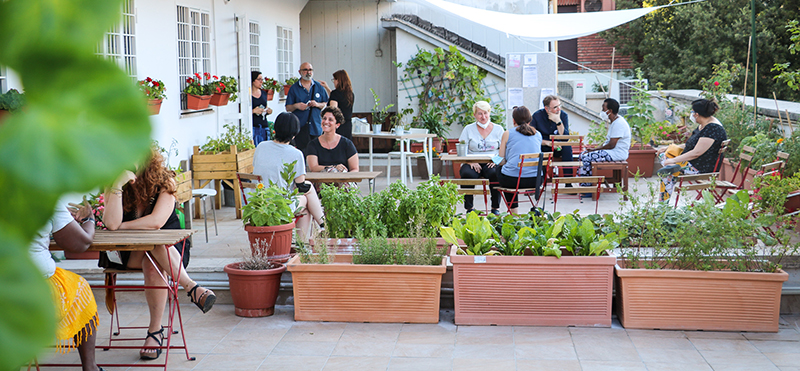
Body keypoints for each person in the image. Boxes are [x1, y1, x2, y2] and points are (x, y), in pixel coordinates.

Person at [103, 147, 215, 360]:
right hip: (130, 252)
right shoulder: (113, 182)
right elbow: (110, 223)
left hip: (172, 251)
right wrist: (117, 184)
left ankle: (154, 332)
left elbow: (156, 223)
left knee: (153, 252)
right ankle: (192, 288)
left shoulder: (165, 182)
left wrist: (123, 227)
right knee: (153, 245)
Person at [31, 201, 103, 371]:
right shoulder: (42, 197)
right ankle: (90, 367)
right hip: (34, 288)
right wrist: (89, 220)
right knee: (81, 288)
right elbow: (80, 243)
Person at [253, 112, 325, 241]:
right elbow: (300, 185)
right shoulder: (295, 153)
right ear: (295, 133)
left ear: (275, 129)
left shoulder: (261, 146)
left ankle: (320, 227)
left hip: (260, 201)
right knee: (306, 196)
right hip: (280, 204)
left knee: (305, 205)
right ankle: (320, 227)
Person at [657, 98, 727, 202]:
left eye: (692, 112)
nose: (691, 114)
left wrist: (673, 160)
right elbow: (691, 144)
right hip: (692, 162)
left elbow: (696, 153)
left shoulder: (713, 129)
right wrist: (669, 148)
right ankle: (672, 167)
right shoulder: (703, 125)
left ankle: (662, 206)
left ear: (697, 114)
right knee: (662, 154)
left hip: (700, 167)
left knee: (667, 174)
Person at [459, 101, 505, 215]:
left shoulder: (499, 129)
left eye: (485, 113)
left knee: (495, 173)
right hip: (472, 161)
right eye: (480, 114)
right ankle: (470, 209)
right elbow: (461, 148)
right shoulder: (468, 129)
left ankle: (495, 208)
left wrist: (497, 161)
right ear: (474, 115)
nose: (483, 117)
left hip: (492, 162)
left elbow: (504, 150)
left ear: (489, 113)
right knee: (466, 174)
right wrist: (470, 161)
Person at [497, 106, 543, 214]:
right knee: (510, 171)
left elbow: (500, 159)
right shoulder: (538, 134)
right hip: (535, 180)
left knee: (501, 169)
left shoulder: (507, 133)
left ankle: (513, 213)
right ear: (530, 120)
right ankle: (533, 208)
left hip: (513, 181)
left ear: (513, 120)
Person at [577, 98, 631, 186]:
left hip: (617, 153)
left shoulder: (619, 124)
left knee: (586, 157)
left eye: (603, 109)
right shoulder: (615, 122)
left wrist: (595, 149)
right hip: (611, 152)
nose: (602, 111)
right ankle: (583, 183)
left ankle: (587, 187)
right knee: (583, 155)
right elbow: (608, 142)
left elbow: (611, 145)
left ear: (610, 111)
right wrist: (595, 149)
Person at [286, 62, 328, 151]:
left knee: (317, 153)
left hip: (316, 126)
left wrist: (317, 104)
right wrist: (296, 106)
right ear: (299, 72)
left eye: (310, 70)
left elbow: (326, 103)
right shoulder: (294, 88)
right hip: (301, 127)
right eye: (305, 70)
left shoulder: (318, 87)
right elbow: (288, 108)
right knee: (302, 153)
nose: (308, 72)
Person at [305, 107, 359, 174]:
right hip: (321, 181)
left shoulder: (347, 144)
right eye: (324, 118)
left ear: (337, 125)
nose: (326, 122)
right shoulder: (313, 144)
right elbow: (313, 168)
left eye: (330, 120)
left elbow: (355, 169)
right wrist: (333, 168)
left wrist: (345, 179)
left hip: (343, 180)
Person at [532, 95, 574, 177]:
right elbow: (533, 138)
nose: (559, 109)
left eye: (559, 106)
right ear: (547, 109)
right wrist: (548, 143)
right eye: (555, 107)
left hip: (558, 147)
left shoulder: (563, 115)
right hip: (543, 147)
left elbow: (565, 138)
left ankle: (568, 181)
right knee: (537, 150)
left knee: (567, 147)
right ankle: (540, 180)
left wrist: (558, 121)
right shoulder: (537, 116)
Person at [322, 69, 355, 140]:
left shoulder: (335, 93)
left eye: (334, 80)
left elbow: (333, 110)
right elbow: (338, 98)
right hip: (347, 125)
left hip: (338, 126)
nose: (333, 82)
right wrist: (327, 88)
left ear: (338, 81)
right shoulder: (350, 94)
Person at [251, 71, 273, 146]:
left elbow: (265, 106)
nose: (261, 82)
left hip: (264, 125)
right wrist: (253, 111)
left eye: (262, 79)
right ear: (253, 81)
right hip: (254, 126)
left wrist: (268, 111)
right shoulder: (248, 94)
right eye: (259, 79)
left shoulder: (263, 93)